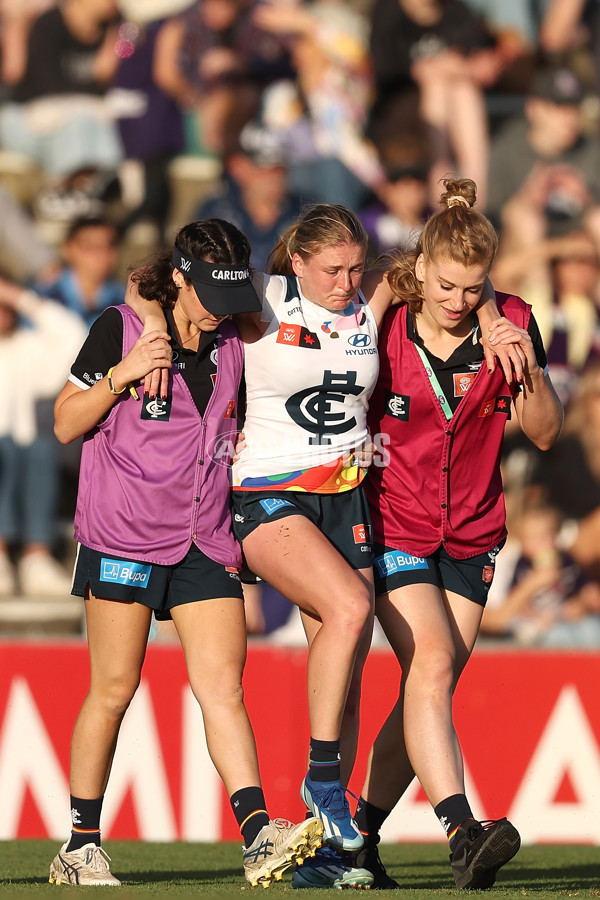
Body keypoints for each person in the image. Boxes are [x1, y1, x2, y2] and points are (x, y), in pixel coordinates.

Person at [129, 199, 517, 891]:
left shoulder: (373, 297)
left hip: (345, 500)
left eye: (355, 268)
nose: (345, 281)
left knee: (345, 674)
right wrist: (155, 327)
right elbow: (151, 279)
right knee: (349, 609)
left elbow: (460, 276)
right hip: (270, 494)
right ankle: (323, 780)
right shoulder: (265, 297)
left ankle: (326, 856)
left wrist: (490, 319)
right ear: (297, 262)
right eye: (331, 269)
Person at [48, 218, 323, 888]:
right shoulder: (121, 325)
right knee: (113, 689)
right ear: (179, 276)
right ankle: (80, 846)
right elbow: (63, 422)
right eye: (209, 294)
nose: (220, 311)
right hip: (124, 534)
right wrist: (122, 374)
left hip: (206, 535)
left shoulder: (234, 337)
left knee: (224, 687)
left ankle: (258, 835)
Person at [350, 178, 563, 890]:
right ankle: (462, 831)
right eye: (445, 284)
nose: (458, 301)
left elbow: (547, 431)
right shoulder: (387, 320)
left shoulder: (509, 319)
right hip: (392, 521)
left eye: (473, 289)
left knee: (427, 688)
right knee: (433, 665)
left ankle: (356, 836)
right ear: (423, 269)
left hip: (474, 532)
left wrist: (524, 363)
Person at [0, 277, 86, 597]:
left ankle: (36, 556)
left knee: (39, 448)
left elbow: (74, 336)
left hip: (27, 458)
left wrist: (22, 297)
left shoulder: (29, 347)